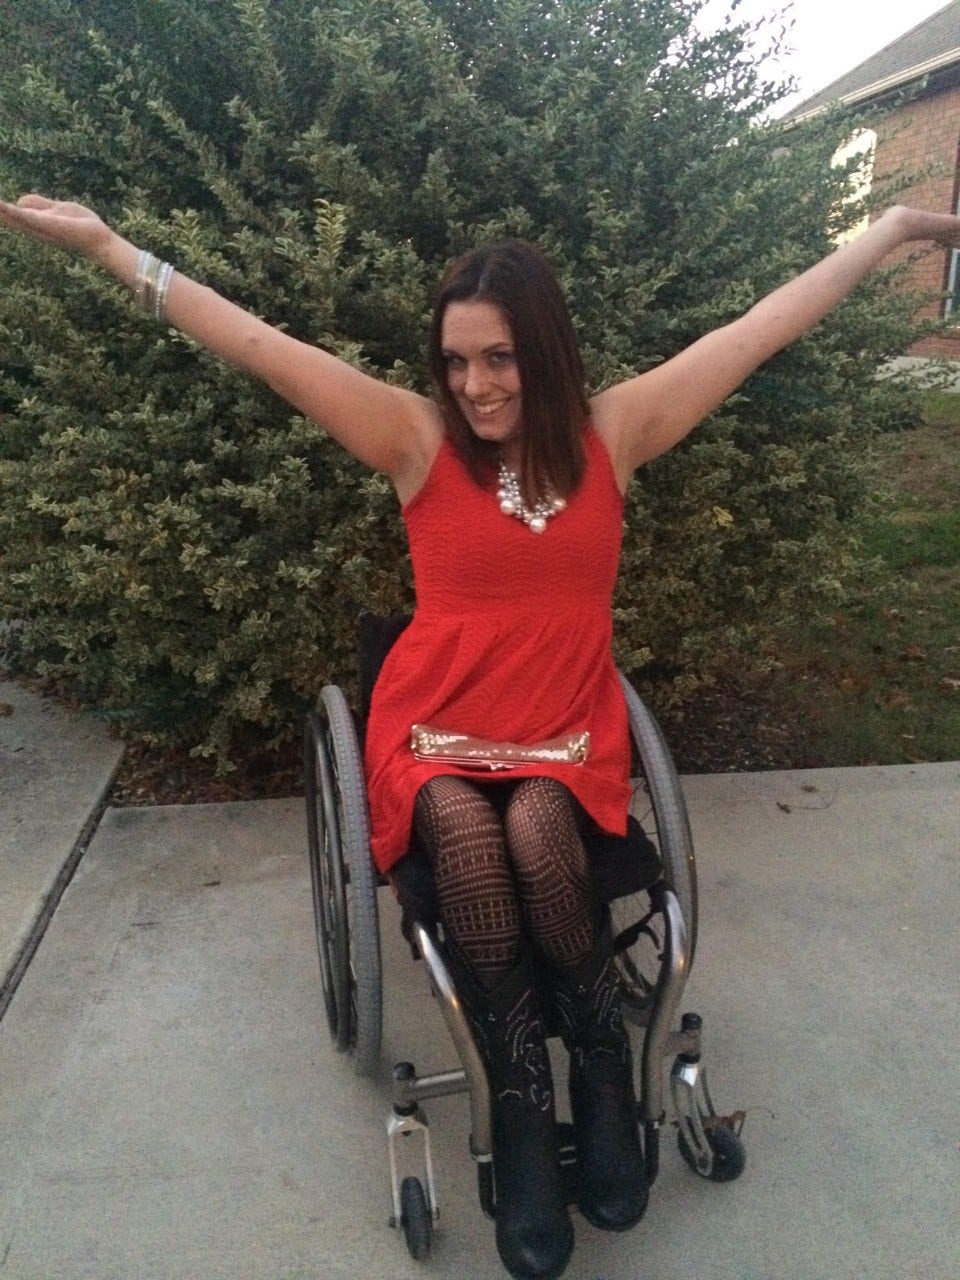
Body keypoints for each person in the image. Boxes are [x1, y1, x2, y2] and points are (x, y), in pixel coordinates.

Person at [2, 193, 958, 1280]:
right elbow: (262, 345)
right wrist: (108, 247)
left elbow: (758, 328)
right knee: (461, 823)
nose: (476, 384)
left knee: (545, 832)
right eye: (456, 361)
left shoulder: (614, 431)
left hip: (560, 736)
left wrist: (887, 235)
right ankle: (516, 1083)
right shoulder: (415, 439)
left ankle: (598, 1060)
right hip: (435, 733)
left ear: (542, 351)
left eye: (498, 358)